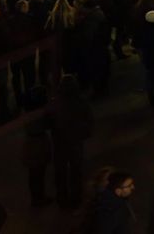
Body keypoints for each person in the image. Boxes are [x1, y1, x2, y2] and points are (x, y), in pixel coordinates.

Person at [51, 75, 93, 209]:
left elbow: (49, 122)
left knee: (61, 171)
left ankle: (62, 198)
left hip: (60, 141)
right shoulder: (81, 102)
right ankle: (76, 198)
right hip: (75, 141)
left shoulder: (55, 103)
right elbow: (89, 121)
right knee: (76, 170)